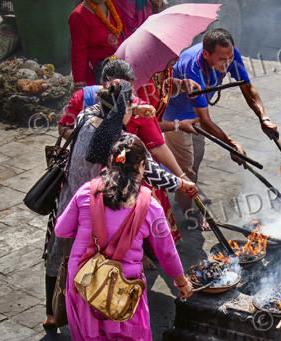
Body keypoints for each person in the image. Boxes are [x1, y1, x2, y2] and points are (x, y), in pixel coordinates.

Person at [43, 80, 197, 328]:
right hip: (99, 208)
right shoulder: (122, 142)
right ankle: (99, 308)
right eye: (130, 104)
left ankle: (52, 315)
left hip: (68, 199)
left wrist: (133, 109)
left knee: (56, 255)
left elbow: (102, 110)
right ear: (122, 109)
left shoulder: (84, 117)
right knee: (97, 261)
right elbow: (153, 174)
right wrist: (181, 183)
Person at [54, 134, 193, 341]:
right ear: (140, 166)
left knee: (96, 340)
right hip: (125, 287)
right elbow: (167, 251)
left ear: (111, 163)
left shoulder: (87, 191)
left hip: (85, 282)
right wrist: (181, 281)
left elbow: (61, 230)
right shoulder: (149, 204)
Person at [163, 28, 280, 219]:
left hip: (197, 112)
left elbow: (247, 87)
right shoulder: (194, 69)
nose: (227, 65)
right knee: (185, 166)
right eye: (221, 60)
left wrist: (263, 118)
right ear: (206, 54)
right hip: (176, 113)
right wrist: (232, 144)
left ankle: (187, 193)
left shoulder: (229, 53)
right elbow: (206, 120)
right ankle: (191, 213)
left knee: (197, 154)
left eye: (230, 58)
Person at [69, 0, 128, 90]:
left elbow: (123, 33)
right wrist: (80, 88)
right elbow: (78, 53)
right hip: (99, 76)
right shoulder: (79, 15)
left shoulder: (111, 3)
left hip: (121, 69)